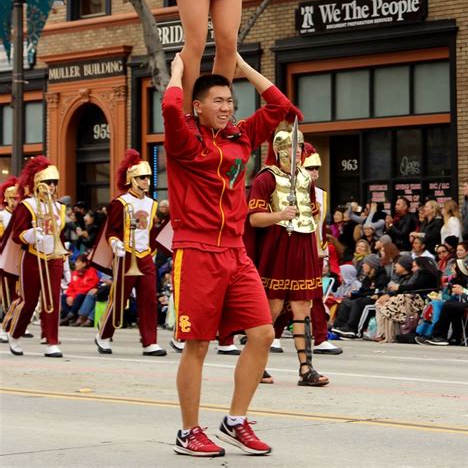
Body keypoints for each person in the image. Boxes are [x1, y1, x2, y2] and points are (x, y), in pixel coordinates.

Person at [162, 51, 298, 457]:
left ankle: (235, 420)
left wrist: (241, 66)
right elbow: (171, 105)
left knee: (263, 334)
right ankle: (189, 432)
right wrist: (176, 72)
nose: (225, 108)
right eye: (217, 101)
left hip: (235, 252)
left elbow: (282, 107)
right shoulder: (184, 138)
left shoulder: (241, 136)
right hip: (197, 250)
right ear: (198, 106)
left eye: (229, 102)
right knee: (198, 344)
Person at [247, 129, 331, 386]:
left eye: (300, 147)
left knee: (303, 305)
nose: (297, 152)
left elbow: (313, 215)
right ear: (279, 150)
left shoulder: (306, 178)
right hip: (278, 245)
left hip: (304, 244)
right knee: (272, 307)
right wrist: (280, 215)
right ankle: (256, 365)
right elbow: (254, 219)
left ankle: (306, 368)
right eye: (292, 148)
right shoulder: (265, 178)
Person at [90, 150, 166, 357]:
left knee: (149, 299)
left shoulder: (152, 204)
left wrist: (153, 251)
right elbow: (112, 230)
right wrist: (116, 244)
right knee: (120, 298)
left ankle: (150, 342)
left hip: (144, 256)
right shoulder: (120, 202)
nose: (146, 181)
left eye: (148, 177)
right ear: (132, 179)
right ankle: (104, 335)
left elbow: (150, 231)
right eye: (142, 177)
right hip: (126, 255)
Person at [2, 156, 67, 358]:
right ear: (38, 183)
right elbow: (17, 234)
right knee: (28, 301)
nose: (52, 187)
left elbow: (60, 236)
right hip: (31, 256)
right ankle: (15, 333)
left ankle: (51, 341)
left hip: (54, 257)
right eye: (48, 182)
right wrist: (31, 235)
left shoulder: (59, 208)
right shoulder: (27, 205)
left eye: (54, 183)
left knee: (53, 300)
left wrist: (66, 265)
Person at [302, 145, 342, 355]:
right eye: (310, 168)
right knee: (282, 296)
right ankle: (271, 334)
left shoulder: (320, 194)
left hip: (314, 252)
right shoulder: (287, 191)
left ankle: (320, 337)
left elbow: (321, 227)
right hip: (294, 251)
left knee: (314, 295)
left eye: (317, 168)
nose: (315, 173)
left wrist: (323, 250)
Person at [0, 176, 19, 342]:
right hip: (4, 260)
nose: (16, 201)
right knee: (5, 295)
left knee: (19, 294)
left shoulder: (22, 214)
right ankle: (3, 327)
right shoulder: (1, 216)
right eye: (13, 198)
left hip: (20, 259)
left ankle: (18, 324)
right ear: (6, 198)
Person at [60, 254, 99, 325]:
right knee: (63, 297)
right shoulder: (75, 273)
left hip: (83, 296)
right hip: (75, 296)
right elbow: (71, 287)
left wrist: (73, 296)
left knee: (79, 296)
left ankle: (70, 316)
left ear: (84, 264)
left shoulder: (91, 273)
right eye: (76, 262)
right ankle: (69, 316)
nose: (75, 264)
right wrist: (70, 296)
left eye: (78, 262)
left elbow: (88, 288)